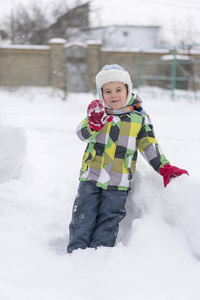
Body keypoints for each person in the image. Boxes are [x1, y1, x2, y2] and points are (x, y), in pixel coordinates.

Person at [67, 64, 188, 254]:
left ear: (128, 90)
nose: (113, 95)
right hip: (91, 176)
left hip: (119, 180)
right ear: (101, 93)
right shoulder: (97, 112)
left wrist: (163, 167)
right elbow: (82, 134)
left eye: (118, 90)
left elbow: (148, 144)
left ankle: (99, 253)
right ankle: (76, 252)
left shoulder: (138, 117)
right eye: (108, 91)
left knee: (109, 219)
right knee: (83, 215)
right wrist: (93, 124)